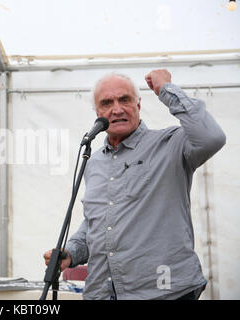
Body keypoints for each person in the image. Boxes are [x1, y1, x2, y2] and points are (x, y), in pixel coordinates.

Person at [43, 69, 226, 300]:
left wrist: (166, 90)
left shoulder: (170, 144)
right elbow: (98, 222)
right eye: (107, 103)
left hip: (162, 291)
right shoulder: (94, 160)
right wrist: (71, 252)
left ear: (138, 105)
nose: (117, 109)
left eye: (125, 100)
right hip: (102, 293)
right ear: (97, 112)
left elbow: (212, 137)